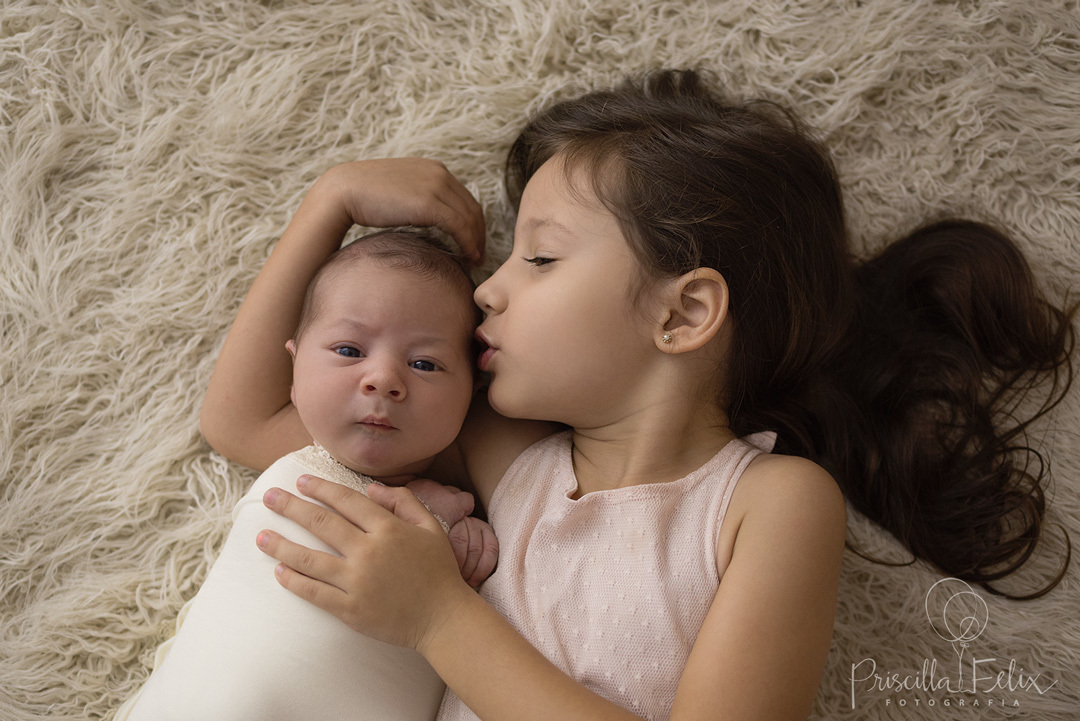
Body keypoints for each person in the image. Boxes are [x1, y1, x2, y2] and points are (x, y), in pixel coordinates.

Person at [200, 70, 1074, 721]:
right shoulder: (511, 458)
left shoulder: (769, 503)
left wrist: (438, 617)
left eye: (538, 257)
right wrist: (330, 202)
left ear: (684, 310)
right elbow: (243, 421)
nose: (488, 290)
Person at [120, 228, 499, 721]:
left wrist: (456, 545)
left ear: (472, 391)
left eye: (425, 363)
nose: (383, 379)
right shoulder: (300, 465)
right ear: (294, 370)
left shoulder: (471, 499)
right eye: (348, 351)